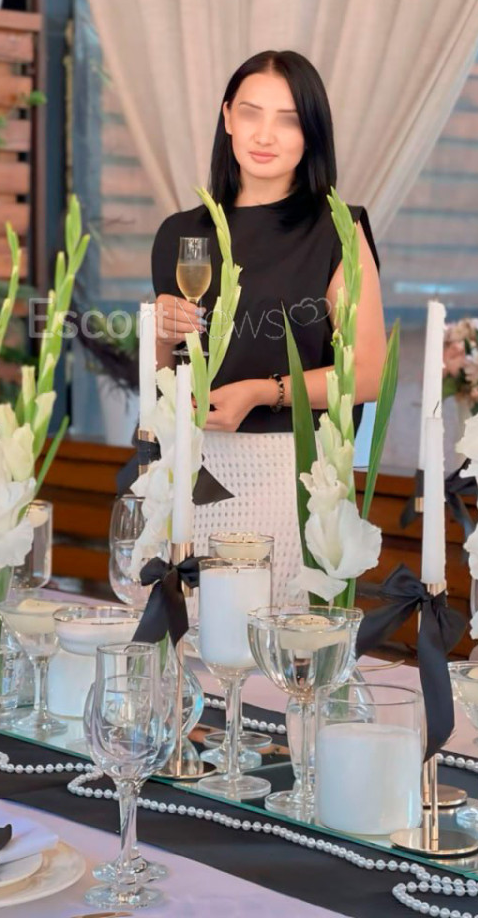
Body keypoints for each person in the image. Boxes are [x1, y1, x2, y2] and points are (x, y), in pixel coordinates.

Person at [151, 50, 386, 600]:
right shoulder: (181, 234)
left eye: (288, 120)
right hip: (193, 474)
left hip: (292, 477)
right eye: (251, 113)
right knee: (192, 640)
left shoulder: (338, 230)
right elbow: (166, 382)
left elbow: (369, 373)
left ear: (311, 133)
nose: (264, 135)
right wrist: (160, 333)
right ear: (227, 117)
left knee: (274, 640)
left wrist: (263, 392)